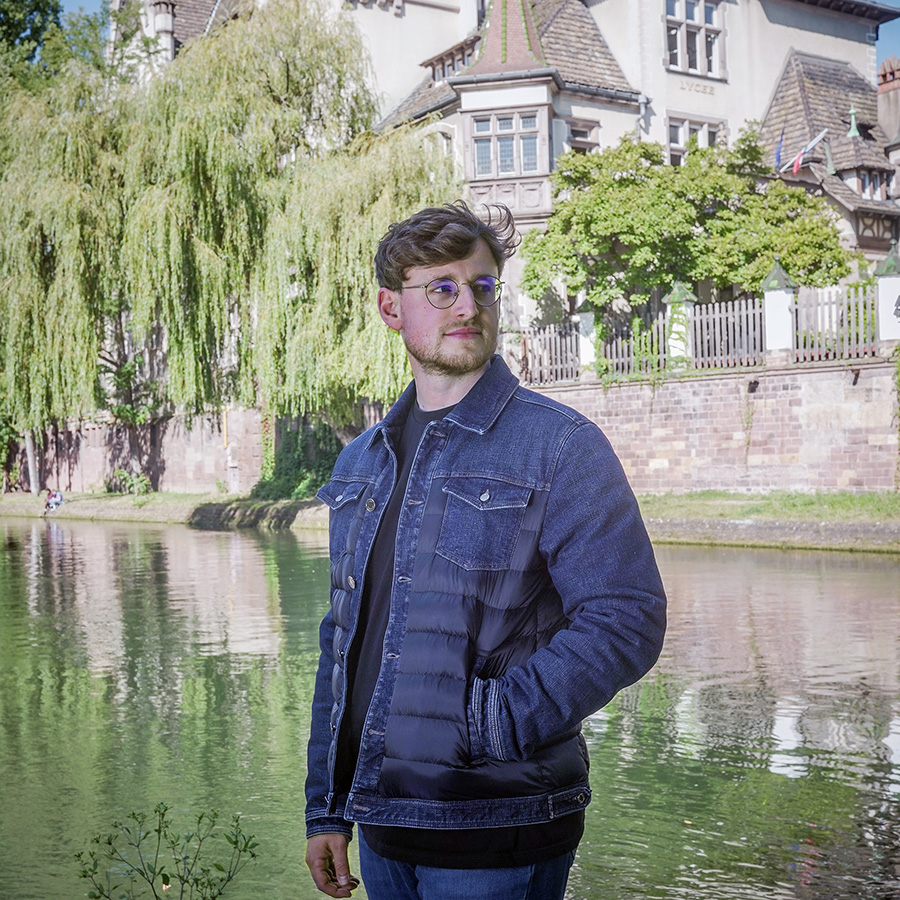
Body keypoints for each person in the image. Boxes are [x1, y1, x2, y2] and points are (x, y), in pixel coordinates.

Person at [304, 201, 667, 900]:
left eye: (482, 286)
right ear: (390, 307)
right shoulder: (359, 463)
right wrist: (327, 805)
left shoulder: (560, 445)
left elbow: (626, 618)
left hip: (499, 828)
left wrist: (491, 722)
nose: (467, 304)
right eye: (440, 288)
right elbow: (341, 643)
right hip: (382, 829)